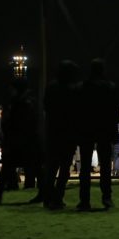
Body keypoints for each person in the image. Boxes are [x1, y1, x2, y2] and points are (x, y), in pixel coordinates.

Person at [0, 77, 40, 204]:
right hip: (23, 139)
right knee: (31, 166)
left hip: (22, 139)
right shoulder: (25, 101)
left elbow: (19, 121)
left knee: (15, 165)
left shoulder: (22, 102)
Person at [79, 59, 119, 210]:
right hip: (105, 128)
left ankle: (84, 199)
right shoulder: (110, 87)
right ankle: (107, 197)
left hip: (87, 128)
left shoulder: (83, 86)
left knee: (85, 166)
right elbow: (116, 111)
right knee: (105, 165)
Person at [43, 60, 83, 210]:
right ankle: (58, 198)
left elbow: (46, 106)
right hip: (68, 132)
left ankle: (48, 197)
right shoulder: (73, 89)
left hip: (53, 131)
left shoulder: (51, 87)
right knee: (65, 168)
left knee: (51, 168)